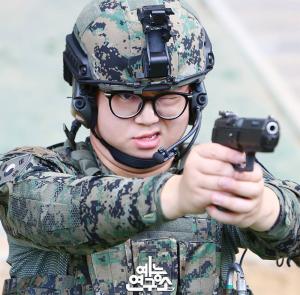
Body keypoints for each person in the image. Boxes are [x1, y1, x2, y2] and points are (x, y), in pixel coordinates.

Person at [0, 0, 299, 294]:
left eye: (168, 96)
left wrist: (266, 209)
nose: (148, 118)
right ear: (87, 102)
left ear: (194, 102)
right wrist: (176, 194)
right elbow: (55, 210)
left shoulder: (214, 177)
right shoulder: (33, 173)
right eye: (126, 97)